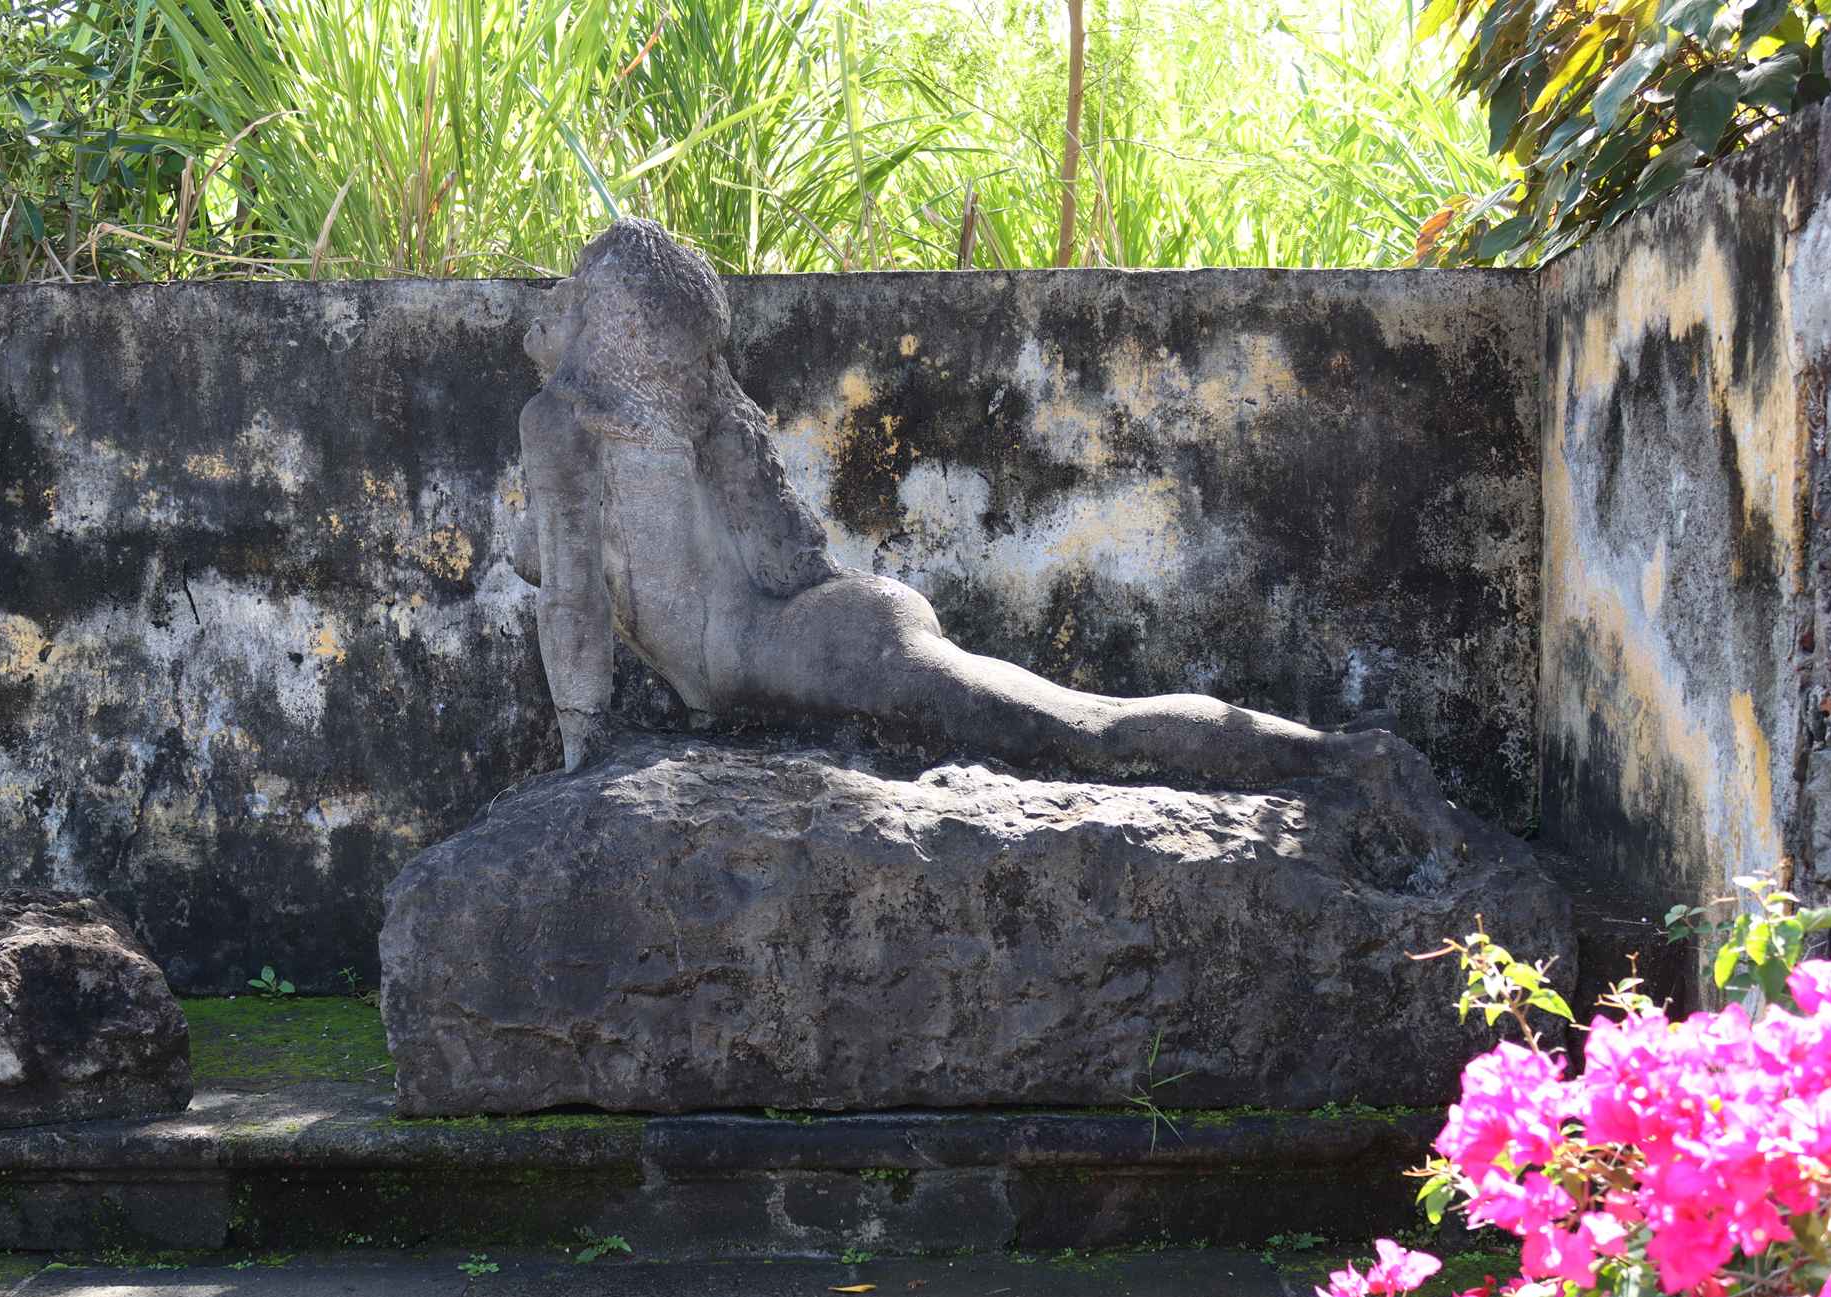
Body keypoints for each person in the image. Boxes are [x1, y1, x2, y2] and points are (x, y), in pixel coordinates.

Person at [515, 218, 1461, 849]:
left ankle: (1340, 762)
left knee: (1078, 729)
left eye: (559, 302)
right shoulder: (697, 422)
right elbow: (783, 556)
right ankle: (1332, 758)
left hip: (819, 648)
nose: (540, 321)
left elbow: (573, 600)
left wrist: (579, 753)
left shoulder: (562, 423)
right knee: (1077, 726)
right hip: (831, 625)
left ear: (602, 318)